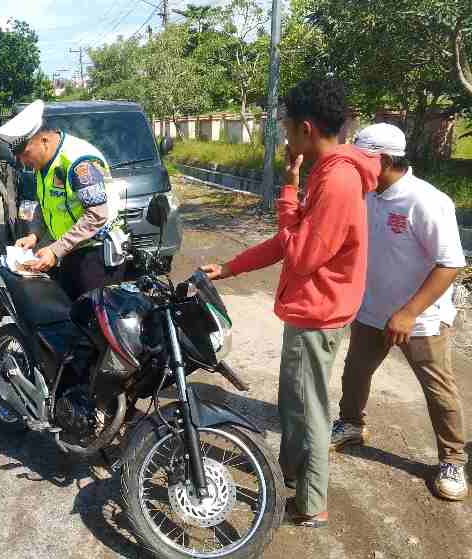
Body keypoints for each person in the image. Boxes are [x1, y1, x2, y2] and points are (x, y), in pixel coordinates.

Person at [200, 78, 381, 527]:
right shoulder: (326, 172)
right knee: (296, 402)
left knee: (309, 409)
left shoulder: (337, 180)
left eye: (285, 127)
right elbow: (292, 240)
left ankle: (311, 503)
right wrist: (231, 267)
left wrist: (287, 190)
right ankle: (292, 473)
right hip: (314, 308)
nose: (284, 136)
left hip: (318, 313)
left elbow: (299, 255)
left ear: (305, 128)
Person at [331, 123, 468, 501]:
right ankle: (351, 424)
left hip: (420, 319)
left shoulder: (426, 201)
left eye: (361, 161)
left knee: (438, 389)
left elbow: (450, 264)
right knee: (355, 373)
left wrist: (408, 313)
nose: (355, 169)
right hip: (372, 309)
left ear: (385, 161)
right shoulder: (368, 195)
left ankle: (452, 458)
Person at [0, 100, 126, 300]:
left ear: (44, 140)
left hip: (95, 255)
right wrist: (34, 235)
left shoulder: (79, 161)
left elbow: (96, 215)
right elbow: (45, 204)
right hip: (69, 250)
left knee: (91, 316)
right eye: (18, 157)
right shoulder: (43, 163)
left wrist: (55, 250)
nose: (23, 162)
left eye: (25, 154)